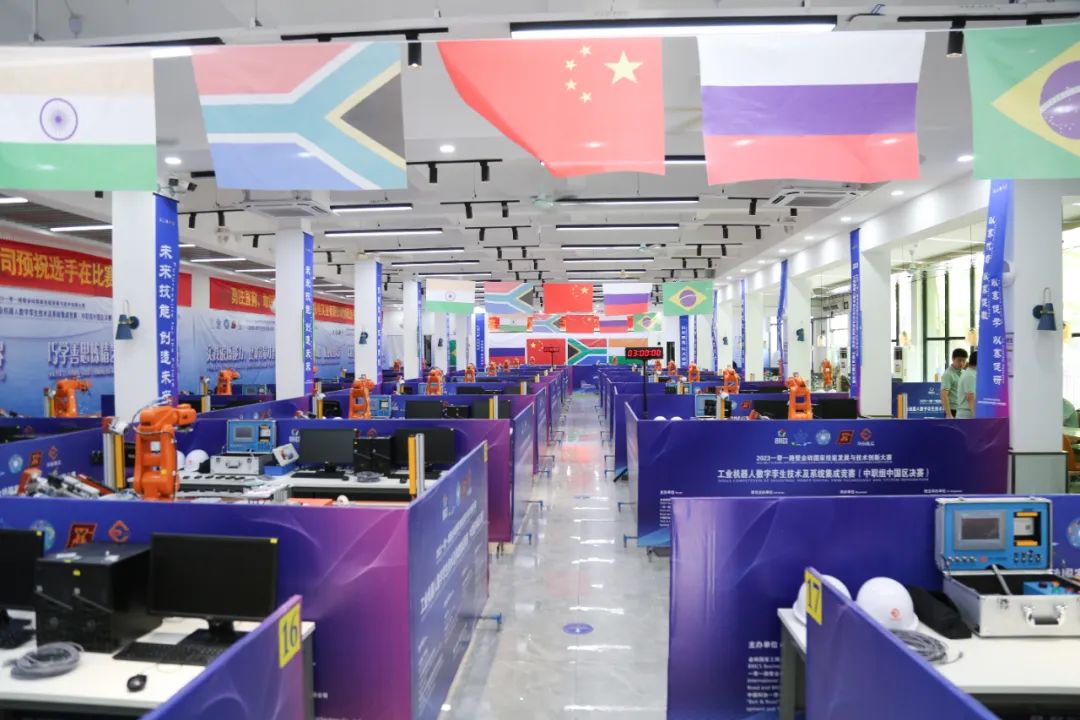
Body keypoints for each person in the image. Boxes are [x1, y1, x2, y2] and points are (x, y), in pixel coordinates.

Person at [940, 348, 968, 418]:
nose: (961, 363)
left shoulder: (964, 373)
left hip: (963, 410)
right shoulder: (948, 374)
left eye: (964, 360)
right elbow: (944, 395)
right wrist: (949, 414)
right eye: (959, 360)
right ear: (953, 359)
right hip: (952, 410)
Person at [956, 351, 977, 418]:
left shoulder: (971, 373)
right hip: (967, 414)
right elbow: (970, 398)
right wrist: (977, 418)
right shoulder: (970, 375)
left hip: (968, 413)